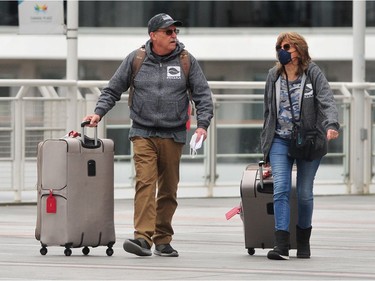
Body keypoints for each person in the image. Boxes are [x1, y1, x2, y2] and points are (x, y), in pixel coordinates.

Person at [83, 13, 213, 257]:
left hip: (174, 135)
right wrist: (97, 113)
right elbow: (113, 89)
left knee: (168, 189)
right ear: (153, 36)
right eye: (168, 32)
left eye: (175, 32)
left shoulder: (186, 60)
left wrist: (203, 125)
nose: (174, 36)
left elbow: (203, 95)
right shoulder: (137, 59)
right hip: (142, 132)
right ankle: (142, 238)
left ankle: (163, 239)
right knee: (145, 182)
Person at [260, 32, 340, 260]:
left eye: (286, 46)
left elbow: (326, 101)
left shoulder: (313, 73)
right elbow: (268, 113)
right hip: (279, 139)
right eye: (278, 47)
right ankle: (281, 244)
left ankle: (303, 240)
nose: (281, 50)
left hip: (310, 140)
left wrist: (331, 124)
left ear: (299, 50)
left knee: (304, 193)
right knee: (281, 189)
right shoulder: (273, 76)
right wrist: (265, 146)